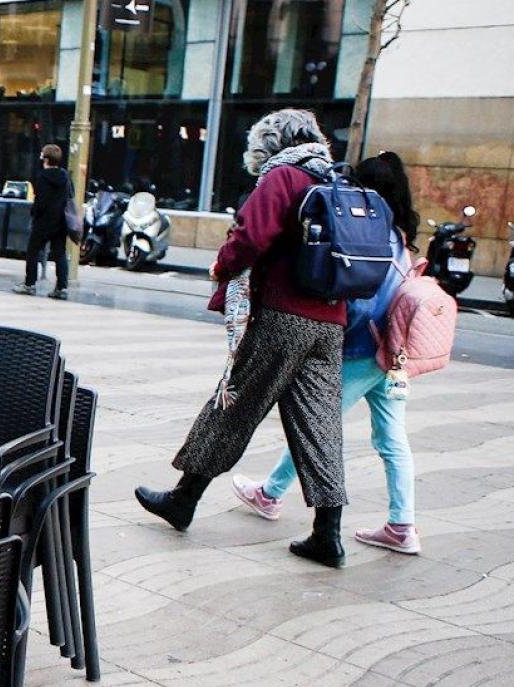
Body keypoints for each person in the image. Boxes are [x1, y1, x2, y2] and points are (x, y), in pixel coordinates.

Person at [134, 109, 351, 568]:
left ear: (269, 145)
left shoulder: (284, 177)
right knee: (321, 422)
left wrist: (224, 265)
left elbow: (251, 236)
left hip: (282, 315)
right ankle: (327, 533)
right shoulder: (335, 179)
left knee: (232, 405)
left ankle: (183, 499)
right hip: (331, 319)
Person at [230, 151, 422, 554]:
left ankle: (269, 492)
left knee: (317, 429)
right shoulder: (401, 236)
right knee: (390, 438)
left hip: (361, 351)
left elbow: (363, 303)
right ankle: (402, 525)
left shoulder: (369, 231)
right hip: (393, 353)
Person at [13, 143, 71, 300]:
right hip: (61, 221)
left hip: (44, 221)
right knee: (60, 253)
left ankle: (30, 284)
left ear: (46, 159)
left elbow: (41, 201)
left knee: (33, 251)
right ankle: (62, 287)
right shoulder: (65, 176)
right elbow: (69, 197)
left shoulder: (43, 177)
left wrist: (34, 213)